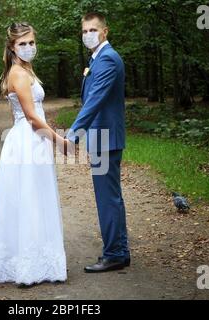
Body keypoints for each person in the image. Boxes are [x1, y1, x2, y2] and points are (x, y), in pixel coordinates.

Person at [0, 22, 67, 286]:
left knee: (33, 197)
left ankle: (34, 261)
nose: (29, 47)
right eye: (23, 44)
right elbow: (31, 117)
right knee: (30, 198)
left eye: (31, 42)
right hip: (30, 139)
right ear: (12, 46)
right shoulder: (18, 73)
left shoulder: (24, 70)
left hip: (30, 140)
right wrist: (59, 140)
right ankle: (27, 267)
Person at [65, 12, 130, 273]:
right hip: (101, 137)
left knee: (108, 199)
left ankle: (115, 253)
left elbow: (95, 100)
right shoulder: (97, 58)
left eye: (92, 30)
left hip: (106, 139)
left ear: (105, 31)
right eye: (84, 31)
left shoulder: (108, 59)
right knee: (109, 197)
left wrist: (72, 135)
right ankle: (119, 250)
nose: (87, 34)